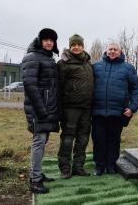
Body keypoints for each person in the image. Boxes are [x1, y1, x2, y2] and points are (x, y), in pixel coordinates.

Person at [91, 42, 138, 175]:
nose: (112, 51)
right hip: (98, 111)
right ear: (106, 51)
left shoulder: (128, 68)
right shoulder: (95, 67)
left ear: (120, 52)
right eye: (110, 49)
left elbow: (135, 88)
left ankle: (111, 165)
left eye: (115, 49)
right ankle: (99, 166)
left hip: (117, 112)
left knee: (113, 140)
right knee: (99, 139)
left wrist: (132, 107)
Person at [22, 28, 60, 194]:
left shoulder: (48, 58)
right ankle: (35, 181)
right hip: (40, 111)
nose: (49, 42)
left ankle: (36, 173)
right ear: (40, 41)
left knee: (42, 143)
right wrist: (41, 110)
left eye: (52, 40)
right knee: (39, 142)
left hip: (48, 109)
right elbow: (30, 86)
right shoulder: (32, 57)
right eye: (46, 39)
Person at [57, 34, 94, 179]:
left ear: (83, 47)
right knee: (67, 139)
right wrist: (59, 109)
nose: (77, 47)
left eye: (79, 45)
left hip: (86, 108)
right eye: (74, 45)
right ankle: (65, 168)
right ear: (70, 47)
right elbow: (59, 88)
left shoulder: (88, 65)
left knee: (83, 139)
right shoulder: (63, 64)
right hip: (70, 109)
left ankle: (78, 167)